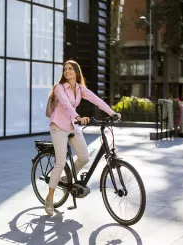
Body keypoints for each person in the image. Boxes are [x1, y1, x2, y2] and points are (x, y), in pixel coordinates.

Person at [45, 59, 121, 216]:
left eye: (70, 69)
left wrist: (111, 113)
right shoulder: (59, 88)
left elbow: (96, 100)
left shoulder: (80, 89)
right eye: (65, 69)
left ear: (76, 72)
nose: (67, 71)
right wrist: (78, 116)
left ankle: (67, 178)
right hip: (58, 126)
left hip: (72, 125)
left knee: (84, 157)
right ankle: (50, 198)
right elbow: (66, 104)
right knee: (60, 162)